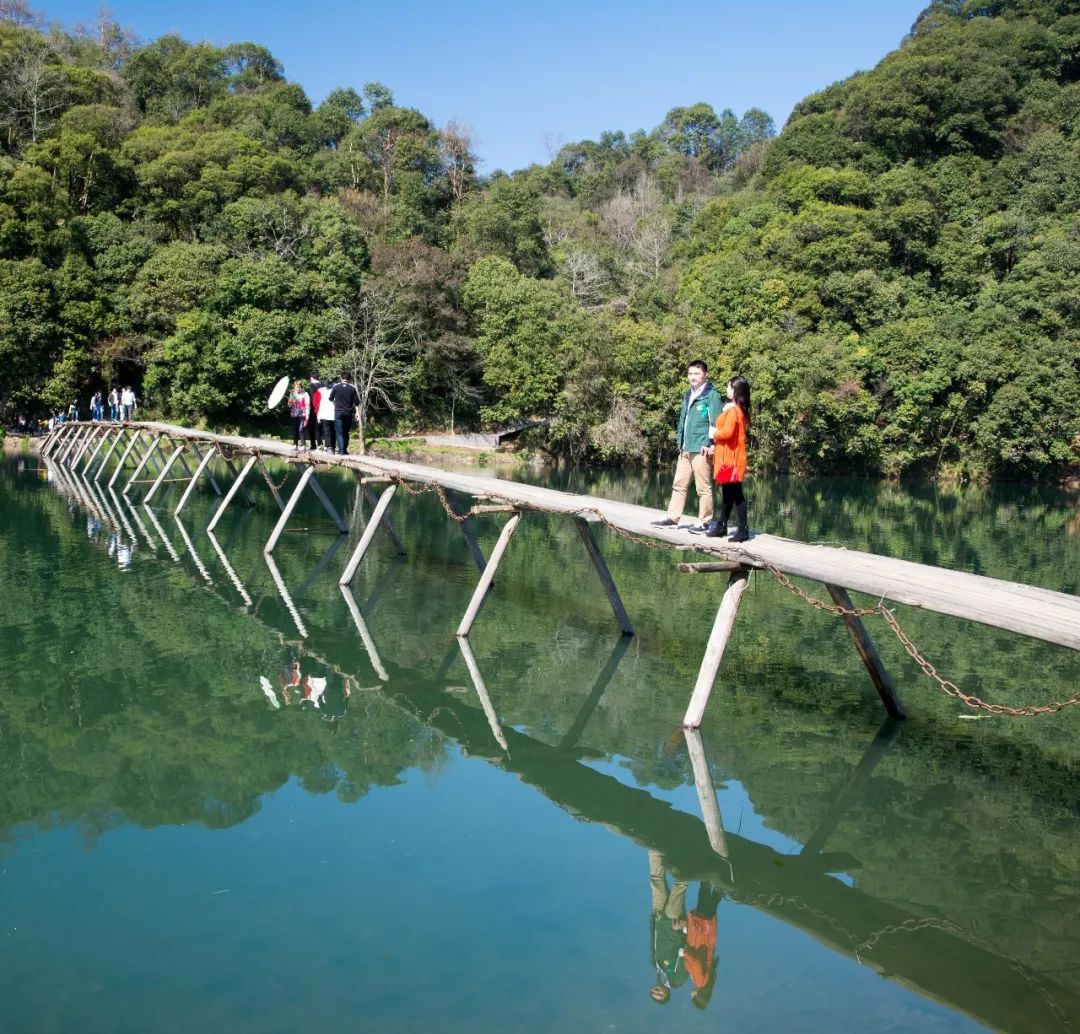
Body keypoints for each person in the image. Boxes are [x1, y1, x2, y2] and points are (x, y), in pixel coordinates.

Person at [651, 360, 722, 532]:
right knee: (679, 484)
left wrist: (711, 444)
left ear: (705, 375)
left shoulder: (712, 395)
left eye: (697, 374)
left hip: (701, 448)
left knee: (702, 487)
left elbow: (716, 423)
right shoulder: (687, 394)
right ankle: (672, 517)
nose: (693, 377)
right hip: (686, 447)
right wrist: (679, 442)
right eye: (690, 374)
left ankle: (704, 521)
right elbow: (683, 420)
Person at [694, 375, 751, 542]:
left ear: (736, 391)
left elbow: (727, 432)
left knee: (736, 494)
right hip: (727, 457)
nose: (726, 389)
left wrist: (714, 433)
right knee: (727, 494)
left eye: (729, 387)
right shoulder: (732, 409)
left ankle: (742, 530)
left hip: (731, 459)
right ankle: (722, 526)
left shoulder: (733, 411)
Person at [648, 850, 689, 1005]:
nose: (656, 990)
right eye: (660, 994)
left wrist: (653, 921)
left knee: (655, 880)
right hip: (674, 923)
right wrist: (684, 930)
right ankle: (684, 853)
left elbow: (654, 941)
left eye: (653, 992)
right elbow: (687, 953)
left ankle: (654, 847)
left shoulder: (656, 967)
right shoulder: (676, 981)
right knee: (680, 885)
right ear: (667, 993)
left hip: (659, 919)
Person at [684, 883, 723, 1010]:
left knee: (712, 903)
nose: (691, 994)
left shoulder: (708, 980)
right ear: (697, 995)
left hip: (707, 936)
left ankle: (721, 881)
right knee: (704, 897)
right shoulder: (699, 982)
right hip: (701, 934)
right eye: (693, 996)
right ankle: (708, 875)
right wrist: (685, 954)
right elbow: (695, 963)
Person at [328, 371, 360, 455]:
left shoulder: (336, 387)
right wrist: (357, 413)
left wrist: (336, 404)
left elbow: (330, 399)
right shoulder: (353, 388)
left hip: (338, 411)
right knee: (346, 431)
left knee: (339, 432)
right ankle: (344, 449)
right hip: (348, 412)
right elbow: (356, 402)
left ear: (341, 378)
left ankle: (342, 450)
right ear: (350, 379)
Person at [315, 374, 337, 453]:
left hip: (325, 415)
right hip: (333, 415)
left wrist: (319, 416)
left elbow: (321, 404)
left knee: (327, 431)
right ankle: (333, 447)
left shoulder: (324, 392)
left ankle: (329, 447)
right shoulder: (335, 391)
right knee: (333, 431)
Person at [287, 379, 310, 450]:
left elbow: (307, 405)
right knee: (295, 429)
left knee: (301, 429)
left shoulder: (305, 394)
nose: (297, 389)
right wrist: (291, 402)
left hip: (302, 414)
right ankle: (295, 444)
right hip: (294, 414)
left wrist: (307, 414)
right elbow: (289, 405)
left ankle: (303, 445)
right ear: (294, 387)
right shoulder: (292, 394)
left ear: (301, 387)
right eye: (296, 387)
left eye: (299, 387)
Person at [307, 373, 321, 450]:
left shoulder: (311, 386)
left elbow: (312, 398)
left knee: (312, 427)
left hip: (313, 409)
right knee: (320, 427)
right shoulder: (323, 385)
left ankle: (313, 445)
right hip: (323, 409)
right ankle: (321, 444)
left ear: (311, 378)